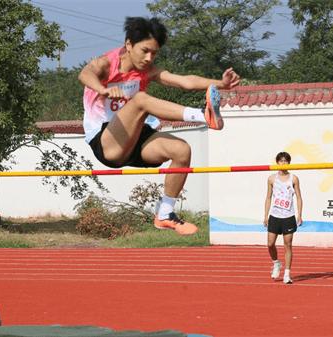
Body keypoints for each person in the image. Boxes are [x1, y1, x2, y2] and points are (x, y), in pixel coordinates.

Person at [78, 17, 240, 236]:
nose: (149, 58)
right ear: (128, 45)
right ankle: (202, 115)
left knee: (181, 151)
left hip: (134, 137)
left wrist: (221, 84)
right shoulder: (107, 64)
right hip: (106, 140)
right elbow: (84, 74)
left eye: (154, 53)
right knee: (141, 100)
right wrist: (104, 89)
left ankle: (164, 213)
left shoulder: (148, 70)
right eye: (145, 51)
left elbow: (185, 81)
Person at [263, 152, 303, 284]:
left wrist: (300, 215)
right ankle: (276, 263)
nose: (283, 163)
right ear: (277, 162)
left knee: (288, 245)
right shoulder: (271, 179)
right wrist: (265, 216)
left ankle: (287, 273)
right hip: (275, 216)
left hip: (288, 216)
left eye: (285, 161)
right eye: (281, 161)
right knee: (270, 244)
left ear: (289, 163)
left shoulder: (294, 178)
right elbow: (268, 197)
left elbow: (298, 197)